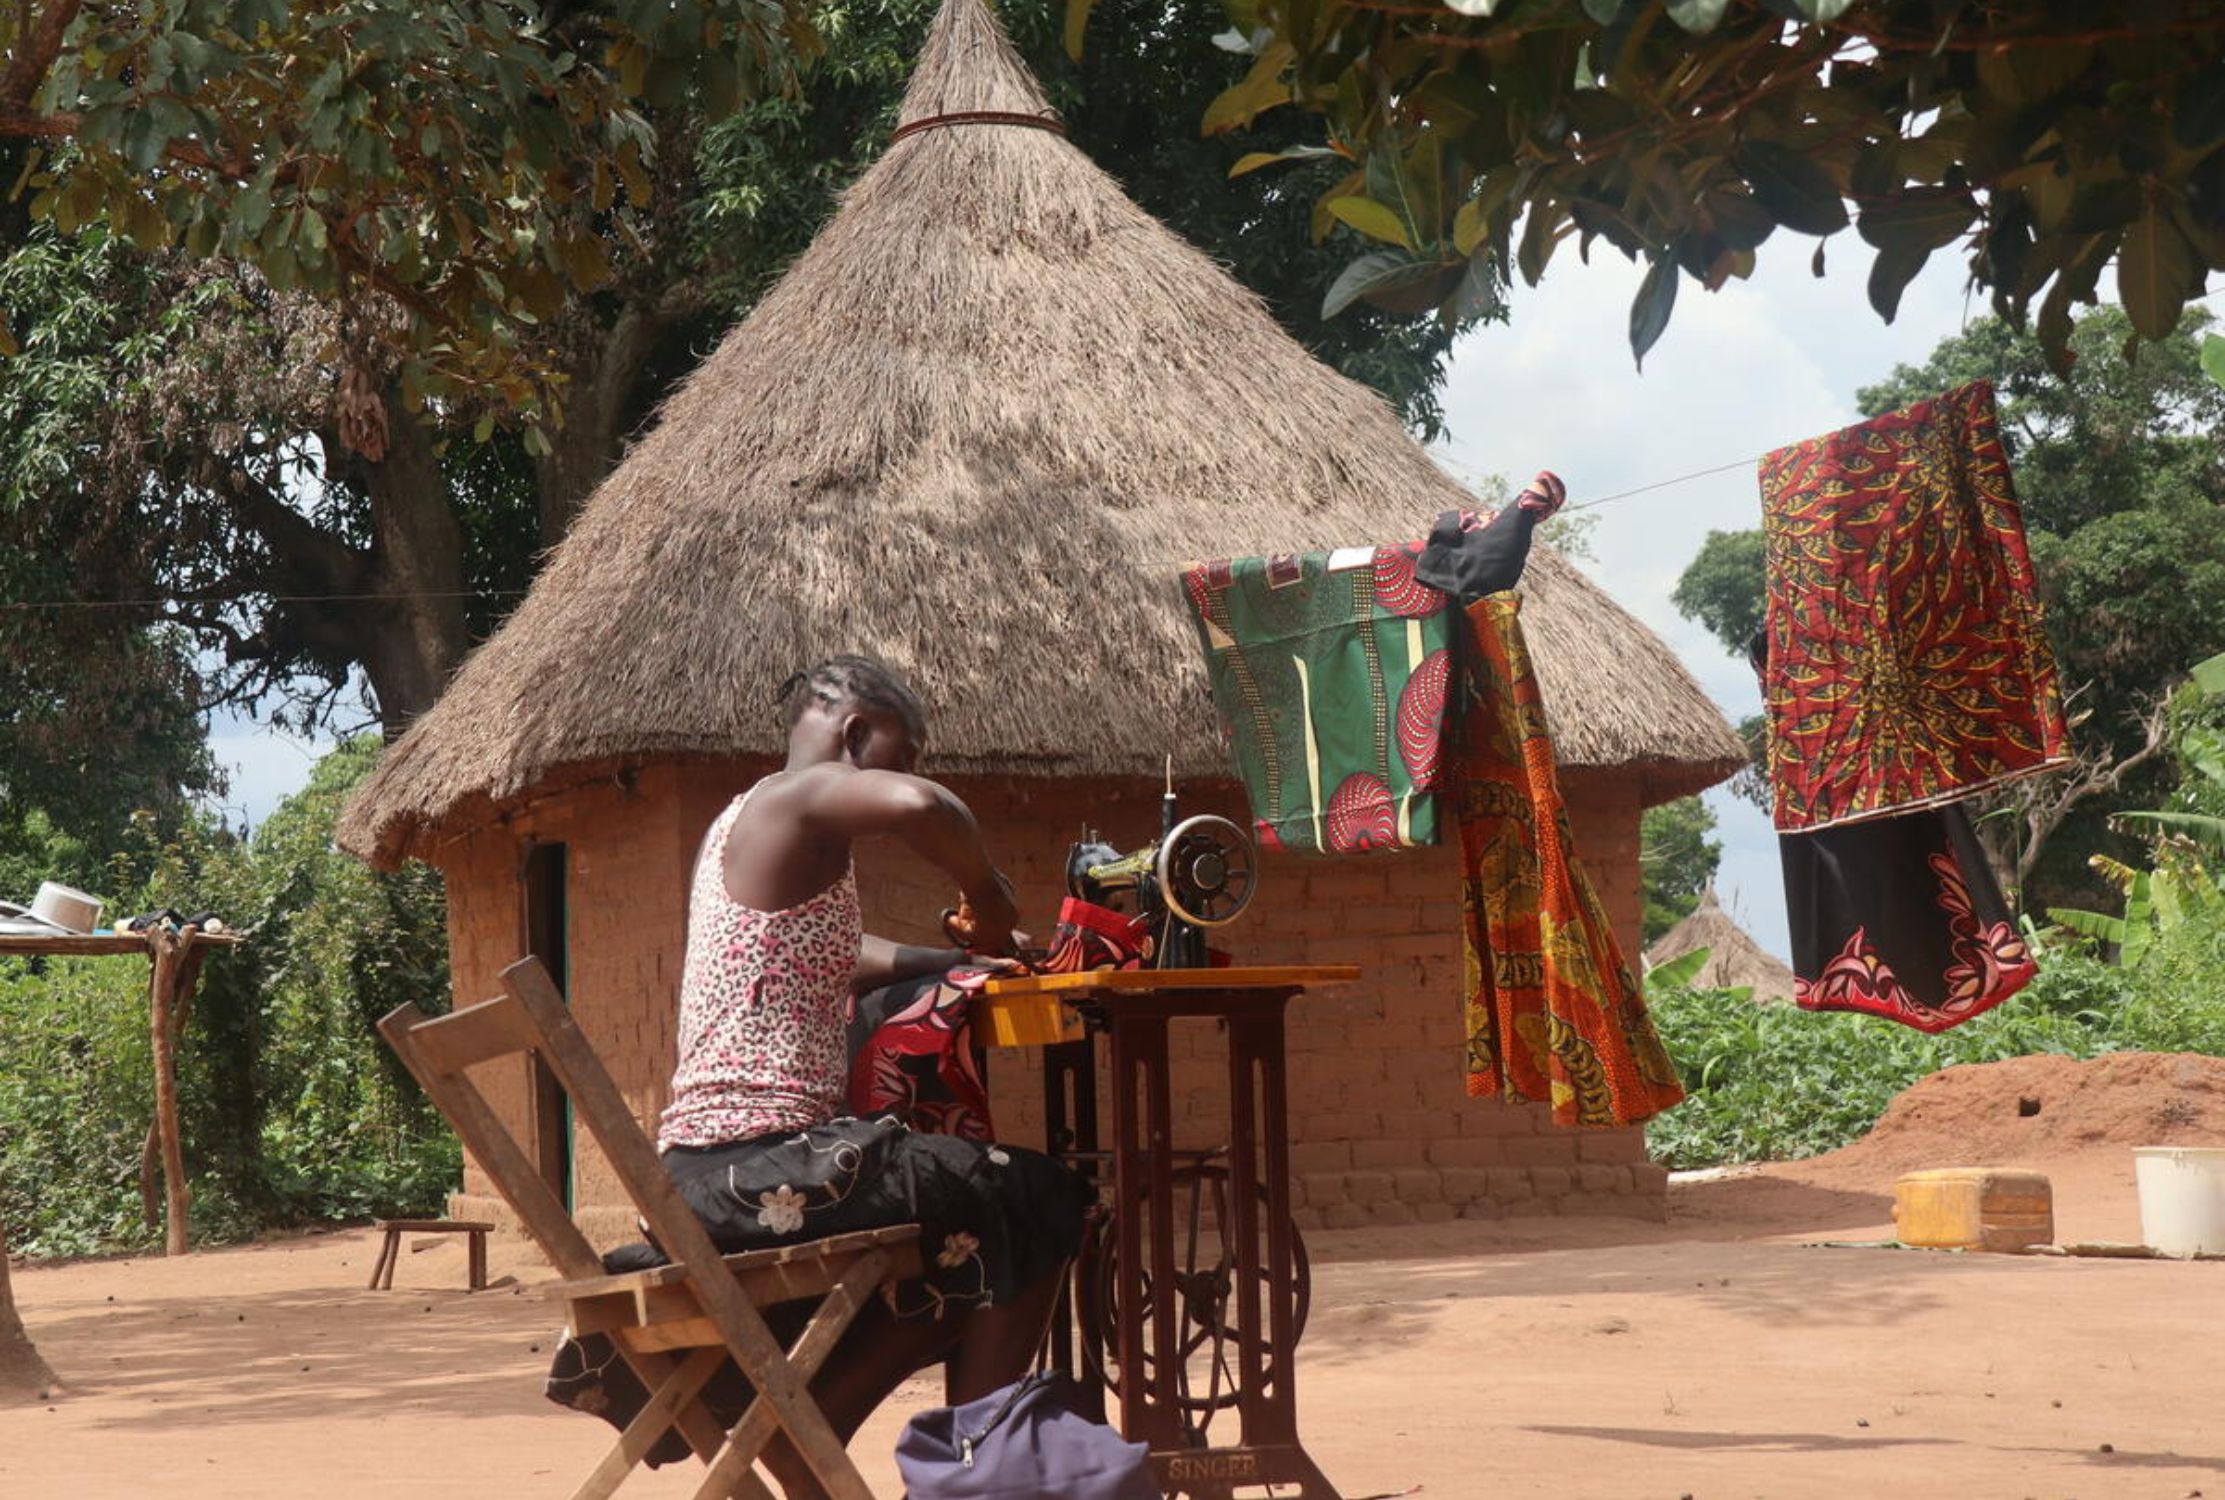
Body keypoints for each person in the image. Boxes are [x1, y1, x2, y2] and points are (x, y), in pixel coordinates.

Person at [548, 655, 1088, 1496]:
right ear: (854, 734)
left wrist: (961, 952)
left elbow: (839, 955)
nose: (903, 774)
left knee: (964, 1241)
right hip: (764, 1165)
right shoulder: (794, 797)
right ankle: (981, 1477)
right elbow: (922, 806)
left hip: (715, 1173)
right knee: (1043, 1194)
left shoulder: (742, 824)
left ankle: (813, 1437)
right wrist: (988, 895)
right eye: (900, 752)